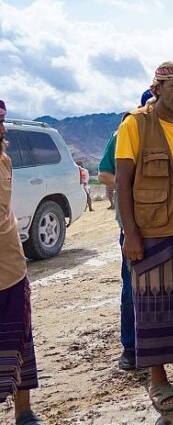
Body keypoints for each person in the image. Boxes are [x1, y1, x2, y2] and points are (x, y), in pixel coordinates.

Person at [115, 61, 173, 412]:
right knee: (154, 306)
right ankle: (157, 380)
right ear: (157, 87)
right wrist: (131, 233)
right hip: (152, 228)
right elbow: (123, 181)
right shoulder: (135, 124)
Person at [97, 90, 153, 371]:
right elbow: (103, 173)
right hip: (133, 224)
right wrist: (129, 180)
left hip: (167, 223)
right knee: (132, 288)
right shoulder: (123, 134)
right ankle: (130, 347)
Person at [0, 100, 45, 425]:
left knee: (19, 339)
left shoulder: (3, 160)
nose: (3, 130)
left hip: (11, 269)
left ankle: (24, 412)